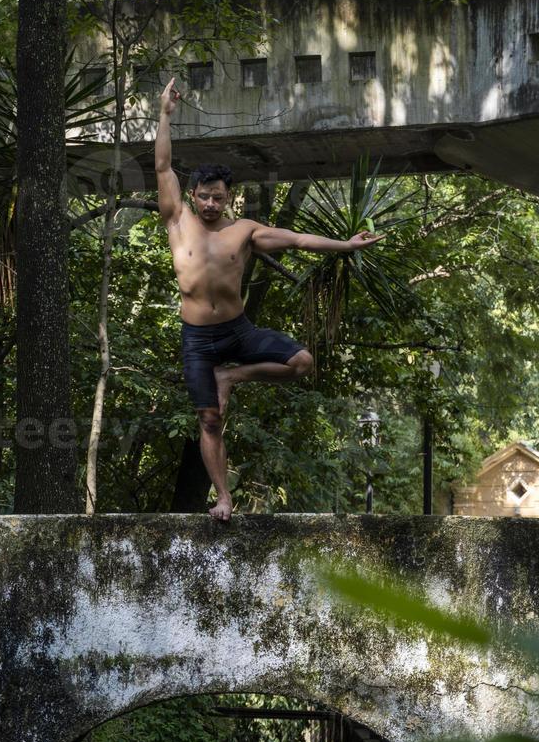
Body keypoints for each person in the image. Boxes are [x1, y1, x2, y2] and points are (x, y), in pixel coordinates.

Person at [155, 77, 383, 521]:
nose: (209, 205)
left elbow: (297, 239)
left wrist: (346, 245)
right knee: (209, 420)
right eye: (203, 196)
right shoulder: (176, 220)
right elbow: (163, 168)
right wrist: (165, 114)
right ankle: (223, 498)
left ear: (228, 198)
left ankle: (231, 379)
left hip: (238, 333)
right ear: (194, 196)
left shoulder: (245, 231)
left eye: (217, 198)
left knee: (301, 362)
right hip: (198, 339)